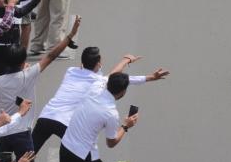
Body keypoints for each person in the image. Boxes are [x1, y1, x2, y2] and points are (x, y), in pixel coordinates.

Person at [0, 17, 81, 162]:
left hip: (2, 133)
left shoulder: (0, 80)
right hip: (22, 134)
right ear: (22, 62)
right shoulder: (29, 75)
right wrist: (70, 35)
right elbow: (51, 55)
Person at [33, 48, 167, 153]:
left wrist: (126, 61)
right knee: (75, 152)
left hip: (46, 116)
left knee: (29, 153)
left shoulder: (70, 71)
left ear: (82, 62)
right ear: (98, 64)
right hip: (65, 122)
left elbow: (113, 74)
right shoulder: (98, 81)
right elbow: (117, 76)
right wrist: (148, 75)